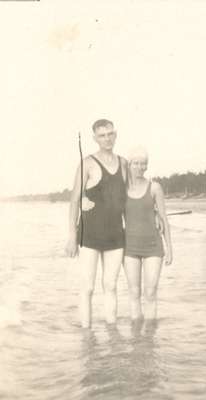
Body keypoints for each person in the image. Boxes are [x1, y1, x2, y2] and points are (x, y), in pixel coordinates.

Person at [65, 119, 127, 328]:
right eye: (102, 135)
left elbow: (129, 198)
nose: (107, 139)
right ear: (94, 138)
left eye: (110, 134)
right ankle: (86, 334)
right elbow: (74, 200)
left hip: (116, 235)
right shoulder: (87, 163)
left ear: (115, 134)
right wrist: (72, 237)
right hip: (89, 235)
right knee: (88, 287)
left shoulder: (124, 163)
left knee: (111, 285)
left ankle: (112, 333)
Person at [123, 146, 173, 324]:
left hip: (153, 246)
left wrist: (170, 249)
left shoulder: (155, 187)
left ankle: (150, 334)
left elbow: (165, 219)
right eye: (135, 163)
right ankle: (137, 336)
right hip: (129, 247)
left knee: (150, 292)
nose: (139, 167)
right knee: (134, 293)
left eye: (143, 163)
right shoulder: (122, 189)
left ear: (147, 166)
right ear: (129, 165)